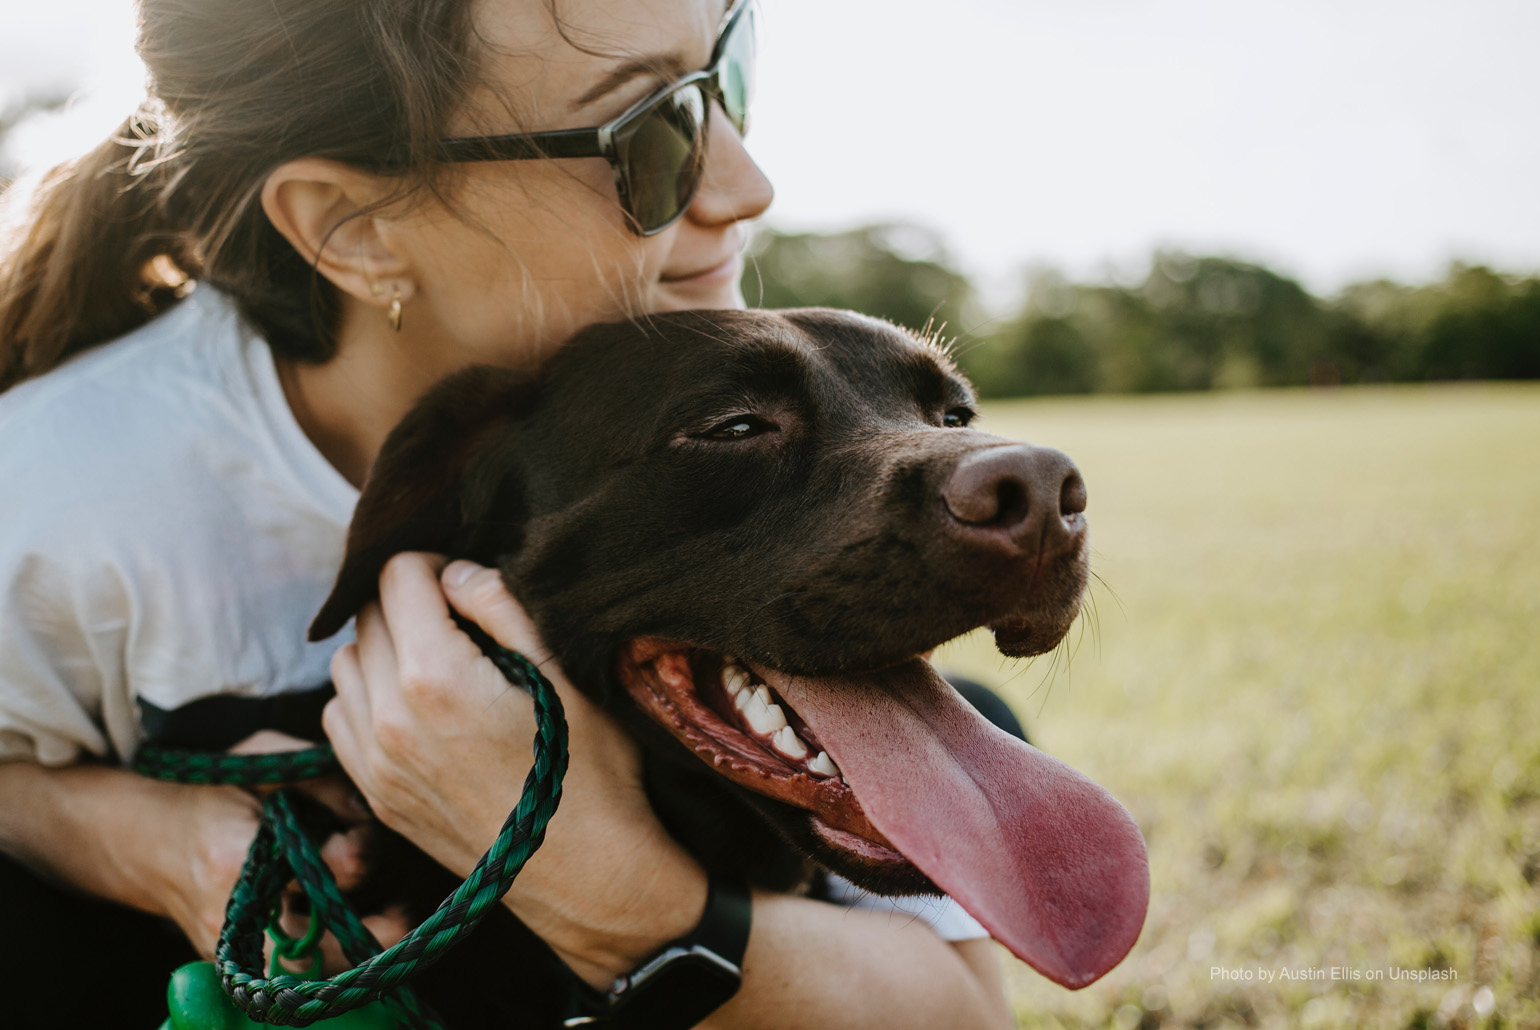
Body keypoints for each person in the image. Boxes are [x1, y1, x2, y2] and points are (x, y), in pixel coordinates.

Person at [0, 1, 1015, 1027]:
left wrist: (596, 875)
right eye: (647, 132)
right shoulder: (58, 497)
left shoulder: (672, 325)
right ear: (354, 229)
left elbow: (963, 1015)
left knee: (966, 710)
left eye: (725, 76)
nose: (747, 182)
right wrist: (156, 840)